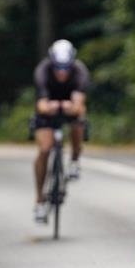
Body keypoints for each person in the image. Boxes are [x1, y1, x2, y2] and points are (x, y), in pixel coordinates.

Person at [33, 39, 89, 223]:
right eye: (58, 67)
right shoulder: (42, 71)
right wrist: (52, 106)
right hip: (48, 112)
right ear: (52, 63)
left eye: (66, 67)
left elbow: (78, 106)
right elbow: (41, 105)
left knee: (79, 118)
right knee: (45, 149)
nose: (62, 72)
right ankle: (40, 200)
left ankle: (74, 159)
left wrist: (67, 106)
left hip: (69, 108)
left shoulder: (80, 72)